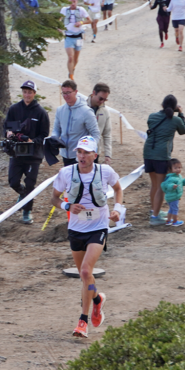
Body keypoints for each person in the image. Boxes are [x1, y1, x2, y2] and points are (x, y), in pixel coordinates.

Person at [50, 136, 123, 338]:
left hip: (98, 226)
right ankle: (97, 299)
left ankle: (83, 321)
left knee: (84, 271)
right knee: (86, 277)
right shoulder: (66, 173)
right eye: (79, 152)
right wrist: (67, 206)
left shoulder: (105, 171)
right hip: (76, 228)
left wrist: (117, 210)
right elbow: (54, 198)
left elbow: (118, 189)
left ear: (94, 155)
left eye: (86, 153)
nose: (82, 156)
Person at [4, 80, 51, 224]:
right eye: (25, 92)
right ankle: (23, 195)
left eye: (30, 92)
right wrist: (9, 133)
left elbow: (44, 134)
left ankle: (27, 211)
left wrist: (32, 141)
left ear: (34, 93)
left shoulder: (41, 112)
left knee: (30, 184)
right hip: (17, 152)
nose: (27, 94)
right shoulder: (14, 109)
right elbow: (7, 127)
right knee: (13, 182)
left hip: (33, 155)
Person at [143, 95, 185, 226]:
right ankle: (155, 217)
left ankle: (154, 211)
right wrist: (181, 113)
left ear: (162, 105)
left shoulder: (152, 116)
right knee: (161, 187)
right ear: (174, 107)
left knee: (154, 185)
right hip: (161, 155)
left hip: (148, 153)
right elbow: (183, 131)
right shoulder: (175, 120)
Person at [50, 80, 101, 167]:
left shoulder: (86, 111)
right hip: (65, 155)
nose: (66, 96)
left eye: (68, 93)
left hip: (81, 156)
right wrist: (54, 139)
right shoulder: (60, 110)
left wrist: (90, 150)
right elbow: (56, 129)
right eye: (63, 93)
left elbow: (96, 133)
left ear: (76, 92)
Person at [59, 0, 92, 80]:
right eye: (71, 2)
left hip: (78, 37)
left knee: (76, 58)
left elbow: (89, 20)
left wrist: (81, 22)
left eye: (74, 1)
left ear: (77, 1)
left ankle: (73, 68)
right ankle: (71, 76)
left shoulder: (81, 9)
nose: (72, 3)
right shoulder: (64, 10)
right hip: (68, 36)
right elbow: (59, 19)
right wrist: (59, 27)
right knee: (70, 57)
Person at [160, 158, 185, 227]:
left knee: (171, 209)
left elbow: (182, 182)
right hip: (173, 197)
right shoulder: (171, 178)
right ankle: (175, 221)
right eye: (175, 168)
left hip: (173, 196)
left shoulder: (178, 176)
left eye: (179, 167)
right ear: (170, 169)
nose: (178, 169)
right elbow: (168, 185)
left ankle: (168, 220)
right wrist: (172, 186)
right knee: (175, 209)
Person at [88, 83, 113, 165]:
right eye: (100, 98)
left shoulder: (105, 112)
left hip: (95, 153)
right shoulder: (81, 108)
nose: (102, 102)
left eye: (105, 100)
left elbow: (107, 134)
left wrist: (108, 155)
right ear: (93, 93)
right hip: (80, 152)